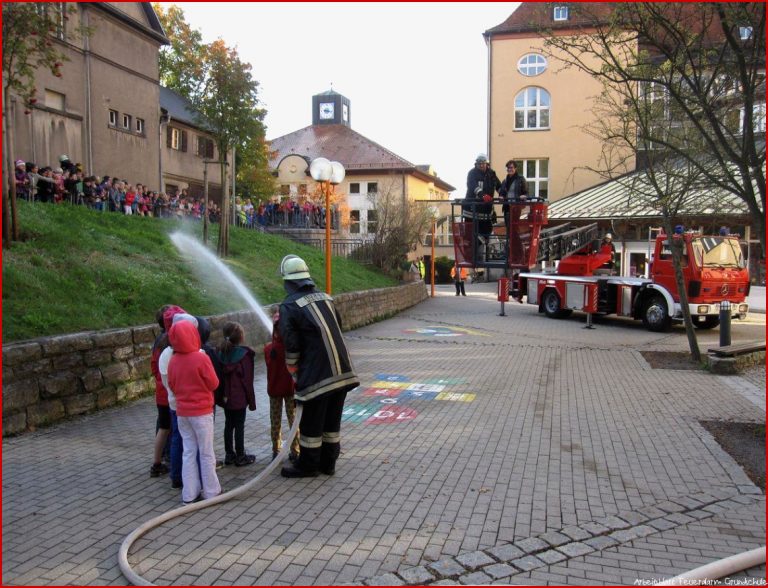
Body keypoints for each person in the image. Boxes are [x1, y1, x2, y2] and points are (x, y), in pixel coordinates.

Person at [278, 255, 360, 478]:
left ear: (288, 281)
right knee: (332, 422)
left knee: (312, 425)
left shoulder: (289, 305)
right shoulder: (326, 298)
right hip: (343, 372)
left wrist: (294, 371)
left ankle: (309, 465)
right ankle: (328, 463)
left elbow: (291, 344)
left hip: (316, 377)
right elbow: (338, 328)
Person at [168, 319, 221, 504]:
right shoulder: (201, 358)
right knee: (206, 452)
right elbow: (214, 383)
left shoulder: (173, 360)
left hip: (183, 413)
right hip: (202, 412)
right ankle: (211, 491)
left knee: (188, 452)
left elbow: (172, 385)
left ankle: (189, 494)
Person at [215, 322, 257, 467]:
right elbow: (247, 380)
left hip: (226, 398)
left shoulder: (220, 354)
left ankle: (229, 454)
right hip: (239, 397)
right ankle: (240, 455)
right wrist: (251, 400)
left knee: (228, 424)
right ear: (240, 337)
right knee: (239, 425)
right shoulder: (244, 356)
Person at [264, 305, 301, 462]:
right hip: (291, 390)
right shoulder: (292, 348)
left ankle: (276, 449)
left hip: (274, 390)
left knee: (275, 420)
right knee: (294, 421)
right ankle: (295, 450)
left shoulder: (268, 349)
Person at [463, 154, 500, 241]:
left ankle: (485, 253)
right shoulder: (472, 173)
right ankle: (473, 253)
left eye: (483, 163)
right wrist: (482, 194)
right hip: (472, 212)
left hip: (486, 212)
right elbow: (472, 185)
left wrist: (502, 193)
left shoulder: (492, 174)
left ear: (487, 164)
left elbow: (498, 185)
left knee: (486, 235)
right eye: (479, 163)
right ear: (476, 164)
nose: (481, 165)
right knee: (471, 237)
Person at [499, 160, 528, 230]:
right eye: (508, 168)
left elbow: (526, 192)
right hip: (507, 207)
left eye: (511, 168)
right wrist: (501, 196)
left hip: (516, 207)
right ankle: (510, 241)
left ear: (515, 168)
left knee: (514, 227)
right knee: (508, 227)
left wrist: (524, 196)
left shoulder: (521, 179)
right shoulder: (505, 180)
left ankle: (515, 241)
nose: (509, 169)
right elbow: (502, 192)